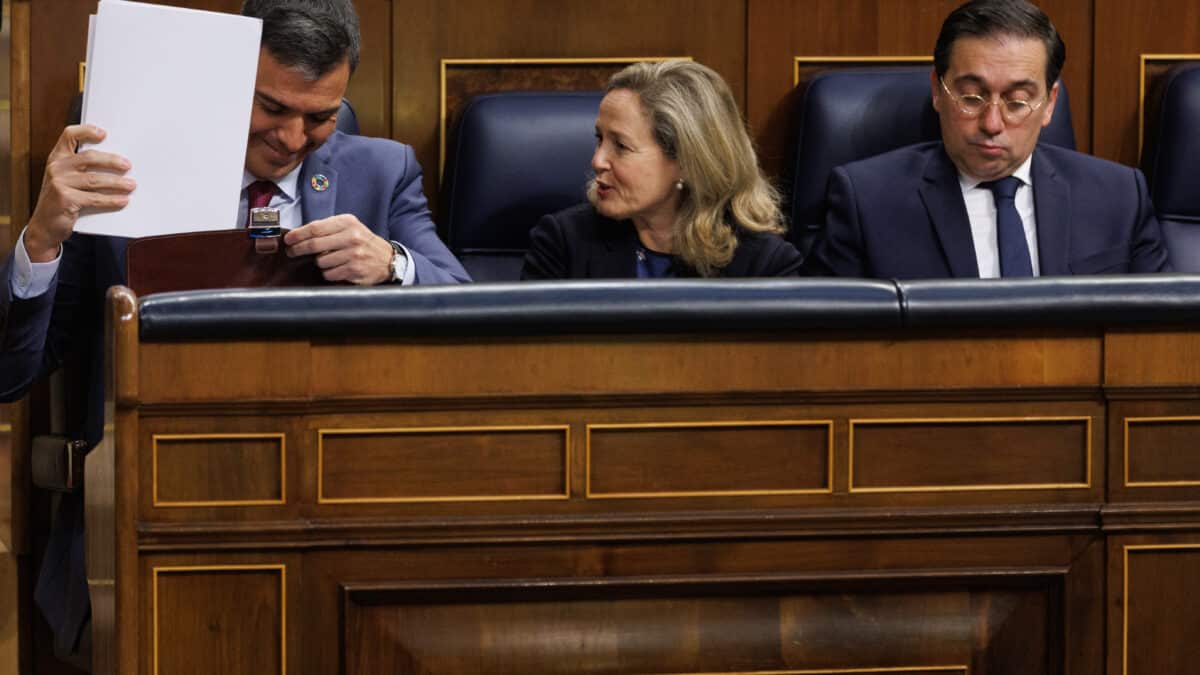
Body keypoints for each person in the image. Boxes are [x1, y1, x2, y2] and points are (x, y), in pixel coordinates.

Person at [0, 0, 468, 665]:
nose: (293, 139)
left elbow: (475, 315)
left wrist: (393, 263)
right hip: (147, 516)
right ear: (224, 83)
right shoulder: (121, 181)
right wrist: (43, 235)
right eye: (273, 109)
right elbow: (14, 370)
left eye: (321, 118)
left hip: (332, 520)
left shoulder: (382, 174)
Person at [803, 0, 1171, 279]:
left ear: (1049, 104)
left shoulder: (1119, 197)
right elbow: (828, 346)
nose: (992, 123)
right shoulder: (867, 200)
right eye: (972, 97)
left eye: (1017, 102)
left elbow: (1159, 335)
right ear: (937, 90)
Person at [521, 60, 802, 279]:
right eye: (599, 139)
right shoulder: (563, 243)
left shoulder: (765, 265)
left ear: (688, 163)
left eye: (620, 146)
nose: (597, 160)